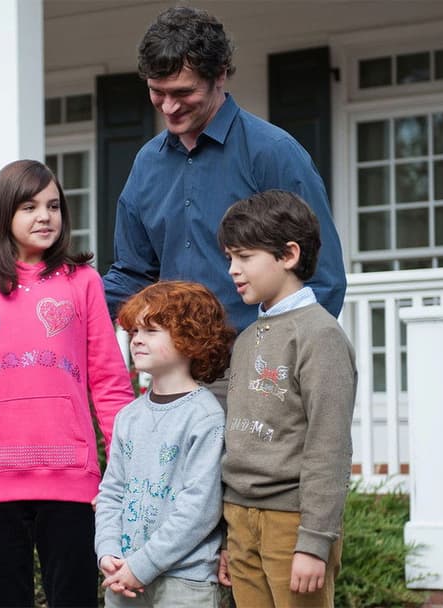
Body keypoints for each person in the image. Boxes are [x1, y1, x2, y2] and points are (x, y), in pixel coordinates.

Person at [0, 159, 134, 607]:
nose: (46, 216)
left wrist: (122, 472)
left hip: (74, 481)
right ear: (4, 214)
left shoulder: (83, 282)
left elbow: (109, 382)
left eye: (54, 206)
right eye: (30, 206)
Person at [102, 5, 347, 335]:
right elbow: (133, 275)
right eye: (156, 92)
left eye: (183, 92)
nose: (169, 107)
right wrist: (66, 301)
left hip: (257, 372)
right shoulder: (147, 163)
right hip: (176, 373)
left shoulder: (272, 152)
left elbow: (323, 279)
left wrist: (276, 363)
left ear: (219, 75)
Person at [216, 190, 357, 607]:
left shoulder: (320, 335)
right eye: (229, 258)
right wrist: (227, 536)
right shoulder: (245, 340)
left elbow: (329, 445)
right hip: (239, 518)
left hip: (291, 522)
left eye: (244, 257)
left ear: (289, 255)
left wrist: (314, 542)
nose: (232, 271)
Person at [95, 280, 234, 607]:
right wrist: (108, 552)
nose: (137, 340)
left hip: (186, 582)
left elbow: (199, 509)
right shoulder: (128, 416)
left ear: (190, 338)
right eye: (134, 332)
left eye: (151, 331)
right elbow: (112, 491)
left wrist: (142, 566)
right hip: (123, 577)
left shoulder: (205, 416)